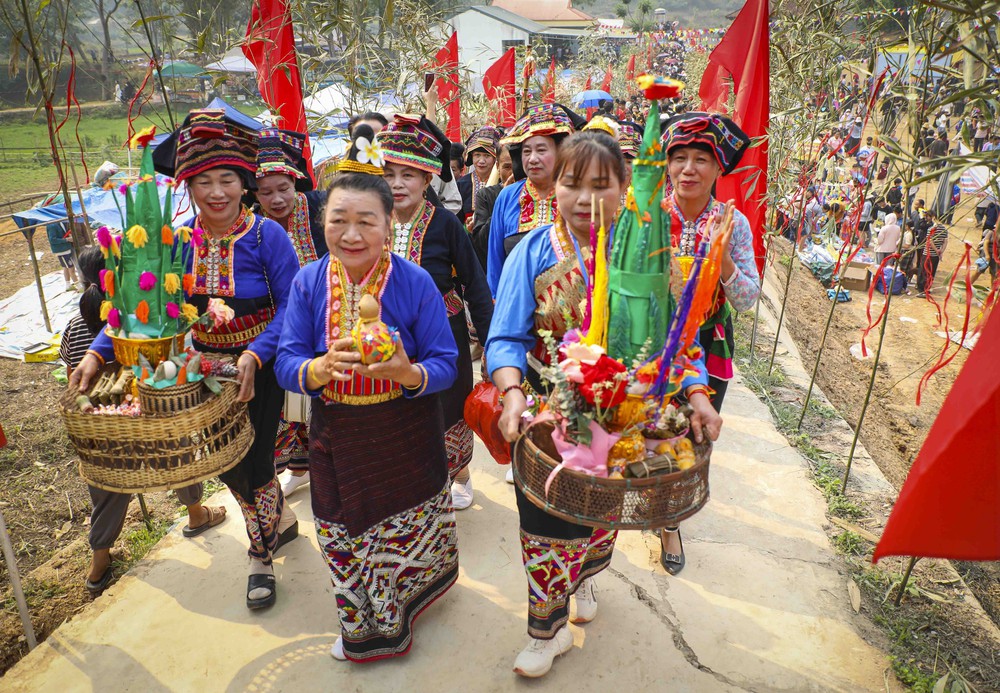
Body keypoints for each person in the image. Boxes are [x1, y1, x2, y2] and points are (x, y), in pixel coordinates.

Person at [486, 130, 722, 678]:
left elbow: (676, 345)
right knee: (545, 520)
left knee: (599, 515)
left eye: (601, 184)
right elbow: (505, 337)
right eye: (572, 183)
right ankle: (545, 633)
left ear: (626, 189)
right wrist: (514, 391)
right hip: (550, 412)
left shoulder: (647, 255)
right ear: (554, 188)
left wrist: (697, 395)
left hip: (626, 416)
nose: (586, 198)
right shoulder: (534, 250)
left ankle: (586, 574)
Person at [72, 108, 302, 611]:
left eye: (227, 180)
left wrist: (257, 354)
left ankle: (260, 556)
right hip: (197, 370)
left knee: (256, 460)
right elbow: (141, 304)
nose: (216, 192)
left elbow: (292, 304)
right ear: (188, 187)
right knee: (225, 462)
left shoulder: (268, 237)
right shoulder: (176, 238)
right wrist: (97, 351)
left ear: (245, 184)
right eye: (203, 182)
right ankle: (278, 521)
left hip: (254, 368)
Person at [274, 132, 460, 662]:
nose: (351, 234)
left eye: (366, 221)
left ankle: (413, 600)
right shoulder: (309, 283)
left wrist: (406, 371)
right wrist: (317, 367)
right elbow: (286, 361)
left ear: (388, 224)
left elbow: (445, 363)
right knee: (338, 530)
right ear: (322, 221)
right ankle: (364, 625)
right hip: (337, 434)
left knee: (408, 525)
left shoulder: (416, 281)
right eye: (338, 220)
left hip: (405, 431)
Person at [62, 247, 225, 595]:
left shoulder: (74, 327)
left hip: (101, 420)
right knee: (177, 450)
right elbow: (168, 366)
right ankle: (196, 514)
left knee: (108, 481)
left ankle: (99, 563)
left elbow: (72, 379)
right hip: (146, 411)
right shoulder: (143, 318)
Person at [657, 111, 761, 574]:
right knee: (644, 428)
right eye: (679, 157)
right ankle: (637, 499)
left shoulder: (733, 225)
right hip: (650, 341)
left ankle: (670, 521)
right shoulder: (648, 216)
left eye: (701, 158)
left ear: (718, 169)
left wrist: (725, 268)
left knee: (692, 435)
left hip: (708, 341)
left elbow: (748, 299)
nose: (688, 168)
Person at [378, 116, 494, 510]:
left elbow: (476, 287)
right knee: (401, 406)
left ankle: (459, 473)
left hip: (444, 332)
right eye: (389, 173)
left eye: (408, 175)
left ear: (427, 179)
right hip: (389, 334)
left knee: (447, 404)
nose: (397, 184)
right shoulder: (373, 221)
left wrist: (491, 345)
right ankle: (417, 475)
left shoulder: (445, 224)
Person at [253, 129, 328, 498]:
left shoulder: (320, 207)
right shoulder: (254, 226)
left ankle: (331, 464)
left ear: (295, 180)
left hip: (330, 320)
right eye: (265, 192)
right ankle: (300, 467)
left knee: (328, 400)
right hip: (282, 326)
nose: (276, 198)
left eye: (283, 188)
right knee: (290, 404)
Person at [486, 103, 583, 296]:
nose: (532, 159)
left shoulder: (580, 195)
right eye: (527, 151)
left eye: (541, 150)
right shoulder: (507, 196)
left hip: (573, 312)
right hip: (516, 305)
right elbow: (495, 262)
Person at [456, 126, 501, 228]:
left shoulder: (502, 183)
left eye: (487, 156)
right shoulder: (462, 184)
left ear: (495, 158)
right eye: (477, 155)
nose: (481, 161)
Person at [917, 211, 948, 297]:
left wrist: (936, 250)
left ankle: (922, 291)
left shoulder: (931, 229)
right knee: (932, 271)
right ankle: (927, 288)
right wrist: (941, 251)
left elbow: (930, 241)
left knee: (924, 271)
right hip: (936, 256)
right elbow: (945, 241)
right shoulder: (944, 229)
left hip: (928, 254)